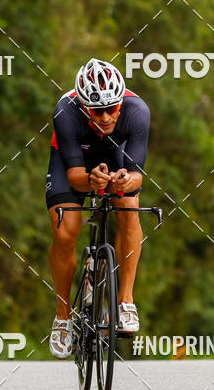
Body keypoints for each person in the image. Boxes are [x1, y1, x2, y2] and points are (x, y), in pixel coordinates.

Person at [46, 58, 151, 358]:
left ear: (120, 103)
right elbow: (74, 177)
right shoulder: (66, 111)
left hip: (116, 157)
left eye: (111, 108)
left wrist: (124, 181)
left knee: (128, 206)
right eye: (96, 111)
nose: (105, 117)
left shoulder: (137, 111)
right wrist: (90, 180)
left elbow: (137, 175)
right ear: (84, 106)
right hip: (73, 162)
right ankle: (63, 317)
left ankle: (125, 301)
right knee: (64, 233)